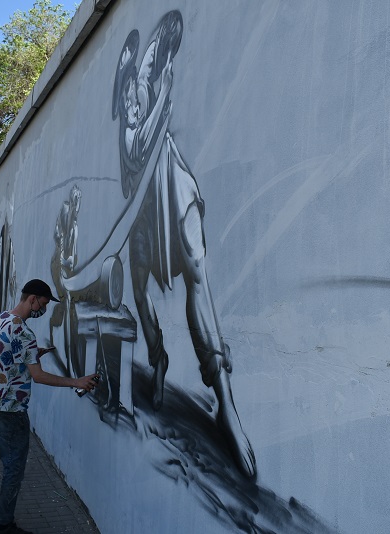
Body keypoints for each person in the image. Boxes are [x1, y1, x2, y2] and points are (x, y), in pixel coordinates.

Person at [111, 11, 257, 478]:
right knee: (138, 291)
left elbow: (161, 64)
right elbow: (136, 147)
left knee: (198, 272)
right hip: (142, 209)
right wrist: (161, 99)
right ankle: (158, 358)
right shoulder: (132, 124)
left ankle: (226, 403)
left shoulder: (151, 81)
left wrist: (161, 84)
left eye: (139, 91)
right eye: (129, 96)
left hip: (171, 185)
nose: (134, 98)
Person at [0, 278, 99, 533]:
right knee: (14, 466)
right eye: (43, 303)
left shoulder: (1, 319)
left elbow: (0, 353)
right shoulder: (24, 332)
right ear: (32, 299)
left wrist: (33, 354)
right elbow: (38, 376)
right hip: (10, 410)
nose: (44, 309)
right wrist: (77, 381)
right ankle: (3, 523)